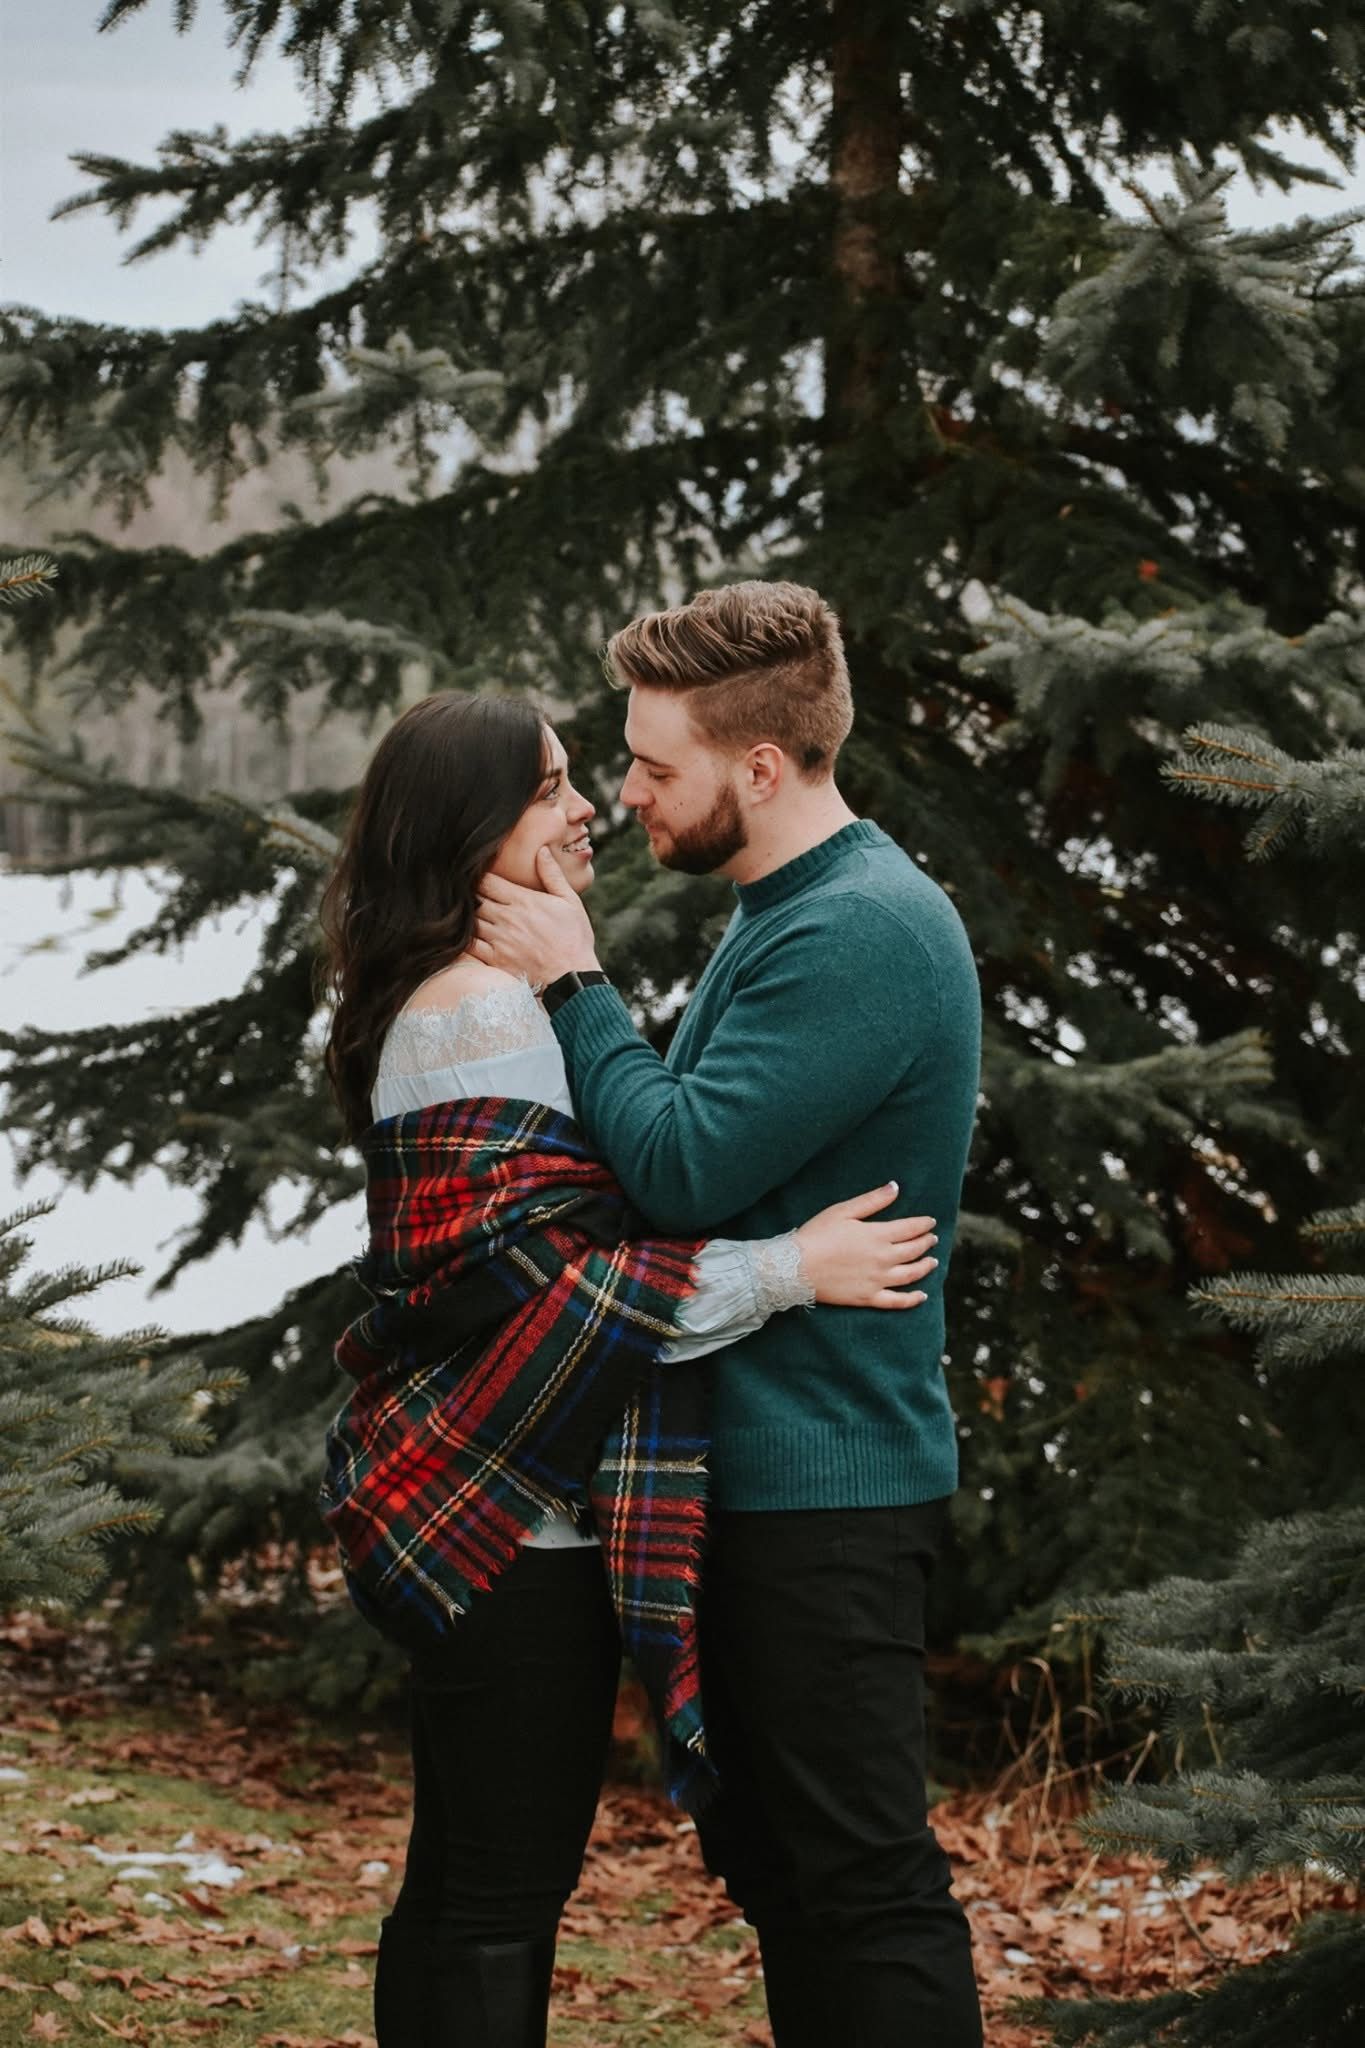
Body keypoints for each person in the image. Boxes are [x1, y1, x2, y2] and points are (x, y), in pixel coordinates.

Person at [315, 690, 942, 2048]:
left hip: (518, 1507)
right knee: (491, 1890)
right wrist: (787, 1269)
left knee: (479, 1882)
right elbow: (548, 1296)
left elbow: (577, 1252)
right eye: (548, 787)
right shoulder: (478, 1010)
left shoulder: (498, 997)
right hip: (500, 1518)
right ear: (470, 828)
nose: (588, 803)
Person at [472, 581, 985, 2048]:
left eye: (652, 762)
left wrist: (574, 979)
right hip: (758, 1475)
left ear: (759, 769)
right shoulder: (793, 910)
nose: (626, 792)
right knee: (782, 1877)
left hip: (825, 1488)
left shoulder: (862, 931)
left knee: (862, 1886)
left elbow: (683, 1163)